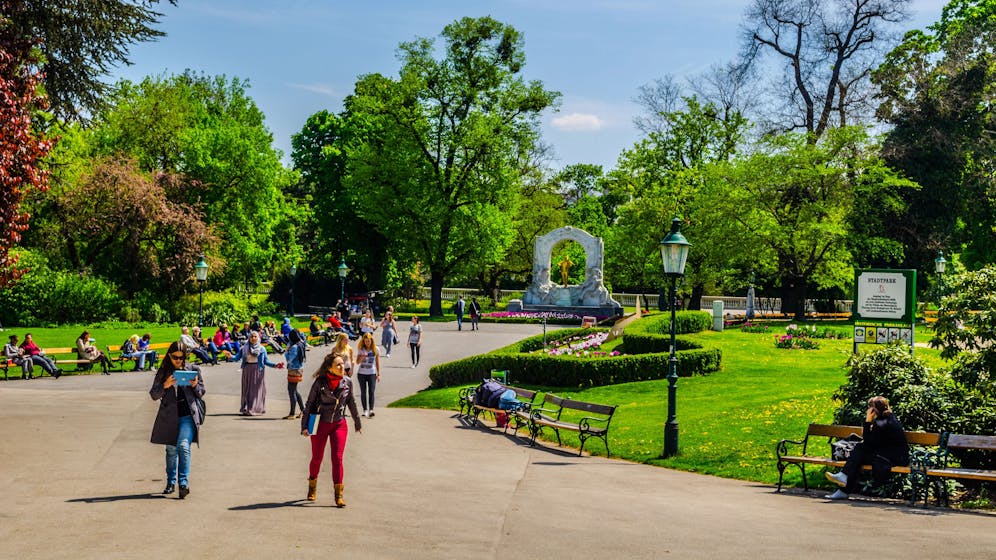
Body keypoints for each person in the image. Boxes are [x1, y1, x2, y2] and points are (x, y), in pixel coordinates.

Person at [301, 353, 362, 507]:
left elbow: (351, 402)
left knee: (337, 458)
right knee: (317, 458)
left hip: (338, 424)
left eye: (343, 364)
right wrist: (304, 425)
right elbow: (309, 404)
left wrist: (357, 422)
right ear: (330, 368)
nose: (343, 367)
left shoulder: (347, 382)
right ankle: (312, 486)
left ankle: (339, 495)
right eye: (338, 365)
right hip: (320, 424)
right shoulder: (320, 383)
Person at [826, 396, 911, 500]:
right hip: (892, 456)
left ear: (873, 410)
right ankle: (843, 482)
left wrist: (867, 420)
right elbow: (873, 443)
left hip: (894, 459)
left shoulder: (882, 423)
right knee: (859, 454)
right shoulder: (887, 418)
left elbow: (868, 442)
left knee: (859, 451)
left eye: (869, 408)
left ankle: (844, 485)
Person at [149, 341, 205, 499]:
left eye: (182, 358)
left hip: (188, 415)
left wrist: (195, 385)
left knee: (183, 446)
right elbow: (154, 395)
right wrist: (165, 385)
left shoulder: (193, 369)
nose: (179, 361)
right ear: (169, 356)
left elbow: (201, 392)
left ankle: (183, 483)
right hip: (170, 416)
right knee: (171, 450)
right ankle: (170, 482)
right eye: (175, 357)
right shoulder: (164, 371)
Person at [233, 330, 283, 416]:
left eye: (255, 336)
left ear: (258, 338)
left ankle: (253, 408)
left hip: (258, 370)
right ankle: (247, 408)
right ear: (249, 338)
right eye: (252, 336)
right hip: (247, 370)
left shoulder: (262, 349)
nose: (253, 338)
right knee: (247, 390)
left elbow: (266, 361)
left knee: (256, 390)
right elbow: (236, 358)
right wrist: (230, 356)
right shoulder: (244, 348)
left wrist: (275, 365)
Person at [354, 332, 381, 418]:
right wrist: (361, 357)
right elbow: (357, 362)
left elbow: (377, 362)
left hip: (372, 373)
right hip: (362, 373)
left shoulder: (376, 349)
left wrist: (378, 374)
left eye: (369, 341)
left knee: (371, 392)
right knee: (363, 392)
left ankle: (371, 410)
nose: (367, 343)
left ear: (371, 341)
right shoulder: (361, 349)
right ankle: (365, 410)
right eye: (365, 341)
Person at [283, 330, 308, 420]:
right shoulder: (301, 344)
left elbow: (289, 359)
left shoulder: (294, 347)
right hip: (298, 369)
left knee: (291, 390)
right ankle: (303, 410)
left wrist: (286, 352)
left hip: (294, 369)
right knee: (294, 390)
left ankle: (292, 413)